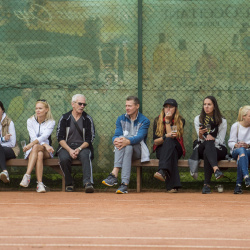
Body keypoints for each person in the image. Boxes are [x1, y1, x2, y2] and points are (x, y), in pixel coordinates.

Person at [102, 96, 150, 194]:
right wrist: (115, 140)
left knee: (127, 145)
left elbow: (139, 137)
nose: (127, 108)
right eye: (126, 105)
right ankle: (124, 184)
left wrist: (127, 140)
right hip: (124, 148)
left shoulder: (145, 120)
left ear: (137, 106)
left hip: (138, 151)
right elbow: (116, 135)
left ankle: (114, 173)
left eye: (130, 106)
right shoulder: (120, 119)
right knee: (126, 146)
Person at [56, 94, 95, 193]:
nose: (82, 106)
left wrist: (79, 149)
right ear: (73, 104)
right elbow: (60, 138)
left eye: (84, 104)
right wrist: (69, 150)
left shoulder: (87, 119)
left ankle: (88, 183)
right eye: (80, 104)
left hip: (83, 147)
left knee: (86, 155)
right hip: (66, 147)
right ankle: (69, 184)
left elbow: (90, 139)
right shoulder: (64, 118)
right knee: (63, 158)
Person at [20, 99, 55, 193]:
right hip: (34, 150)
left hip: (46, 151)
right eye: (36, 108)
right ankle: (40, 184)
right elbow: (33, 137)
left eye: (40, 108)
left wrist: (31, 144)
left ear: (46, 110)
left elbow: (44, 137)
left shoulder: (51, 122)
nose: (38, 110)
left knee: (36, 147)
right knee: (38, 153)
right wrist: (44, 145)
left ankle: (27, 175)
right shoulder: (30, 121)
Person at [194, 96, 227, 194]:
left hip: (219, 148)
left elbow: (220, 140)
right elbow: (200, 139)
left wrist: (210, 138)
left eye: (209, 104)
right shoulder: (198, 119)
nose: (206, 107)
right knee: (206, 145)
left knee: (207, 151)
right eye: (204, 104)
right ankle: (216, 169)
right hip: (201, 146)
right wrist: (201, 135)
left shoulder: (222, 121)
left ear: (214, 106)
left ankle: (206, 185)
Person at [153, 99, 185, 193]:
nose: (168, 109)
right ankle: (173, 186)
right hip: (162, 150)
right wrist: (165, 136)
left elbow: (172, 136)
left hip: (177, 147)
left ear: (175, 109)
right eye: (166, 107)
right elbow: (155, 142)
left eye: (171, 107)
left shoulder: (181, 120)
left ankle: (162, 170)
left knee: (170, 141)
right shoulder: (157, 120)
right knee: (171, 153)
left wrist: (167, 121)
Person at [228, 106, 250, 194]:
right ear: (243, 117)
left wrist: (248, 145)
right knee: (241, 150)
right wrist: (237, 144)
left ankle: (239, 185)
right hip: (236, 151)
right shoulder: (235, 126)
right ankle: (246, 176)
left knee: (241, 156)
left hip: (247, 152)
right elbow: (230, 142)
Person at [0, 101, 19, 183]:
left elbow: (12, 143)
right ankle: (5, 172)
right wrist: (3, 139)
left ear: (2, 110)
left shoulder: (10, 123)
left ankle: (5, 171)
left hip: (11, 150)